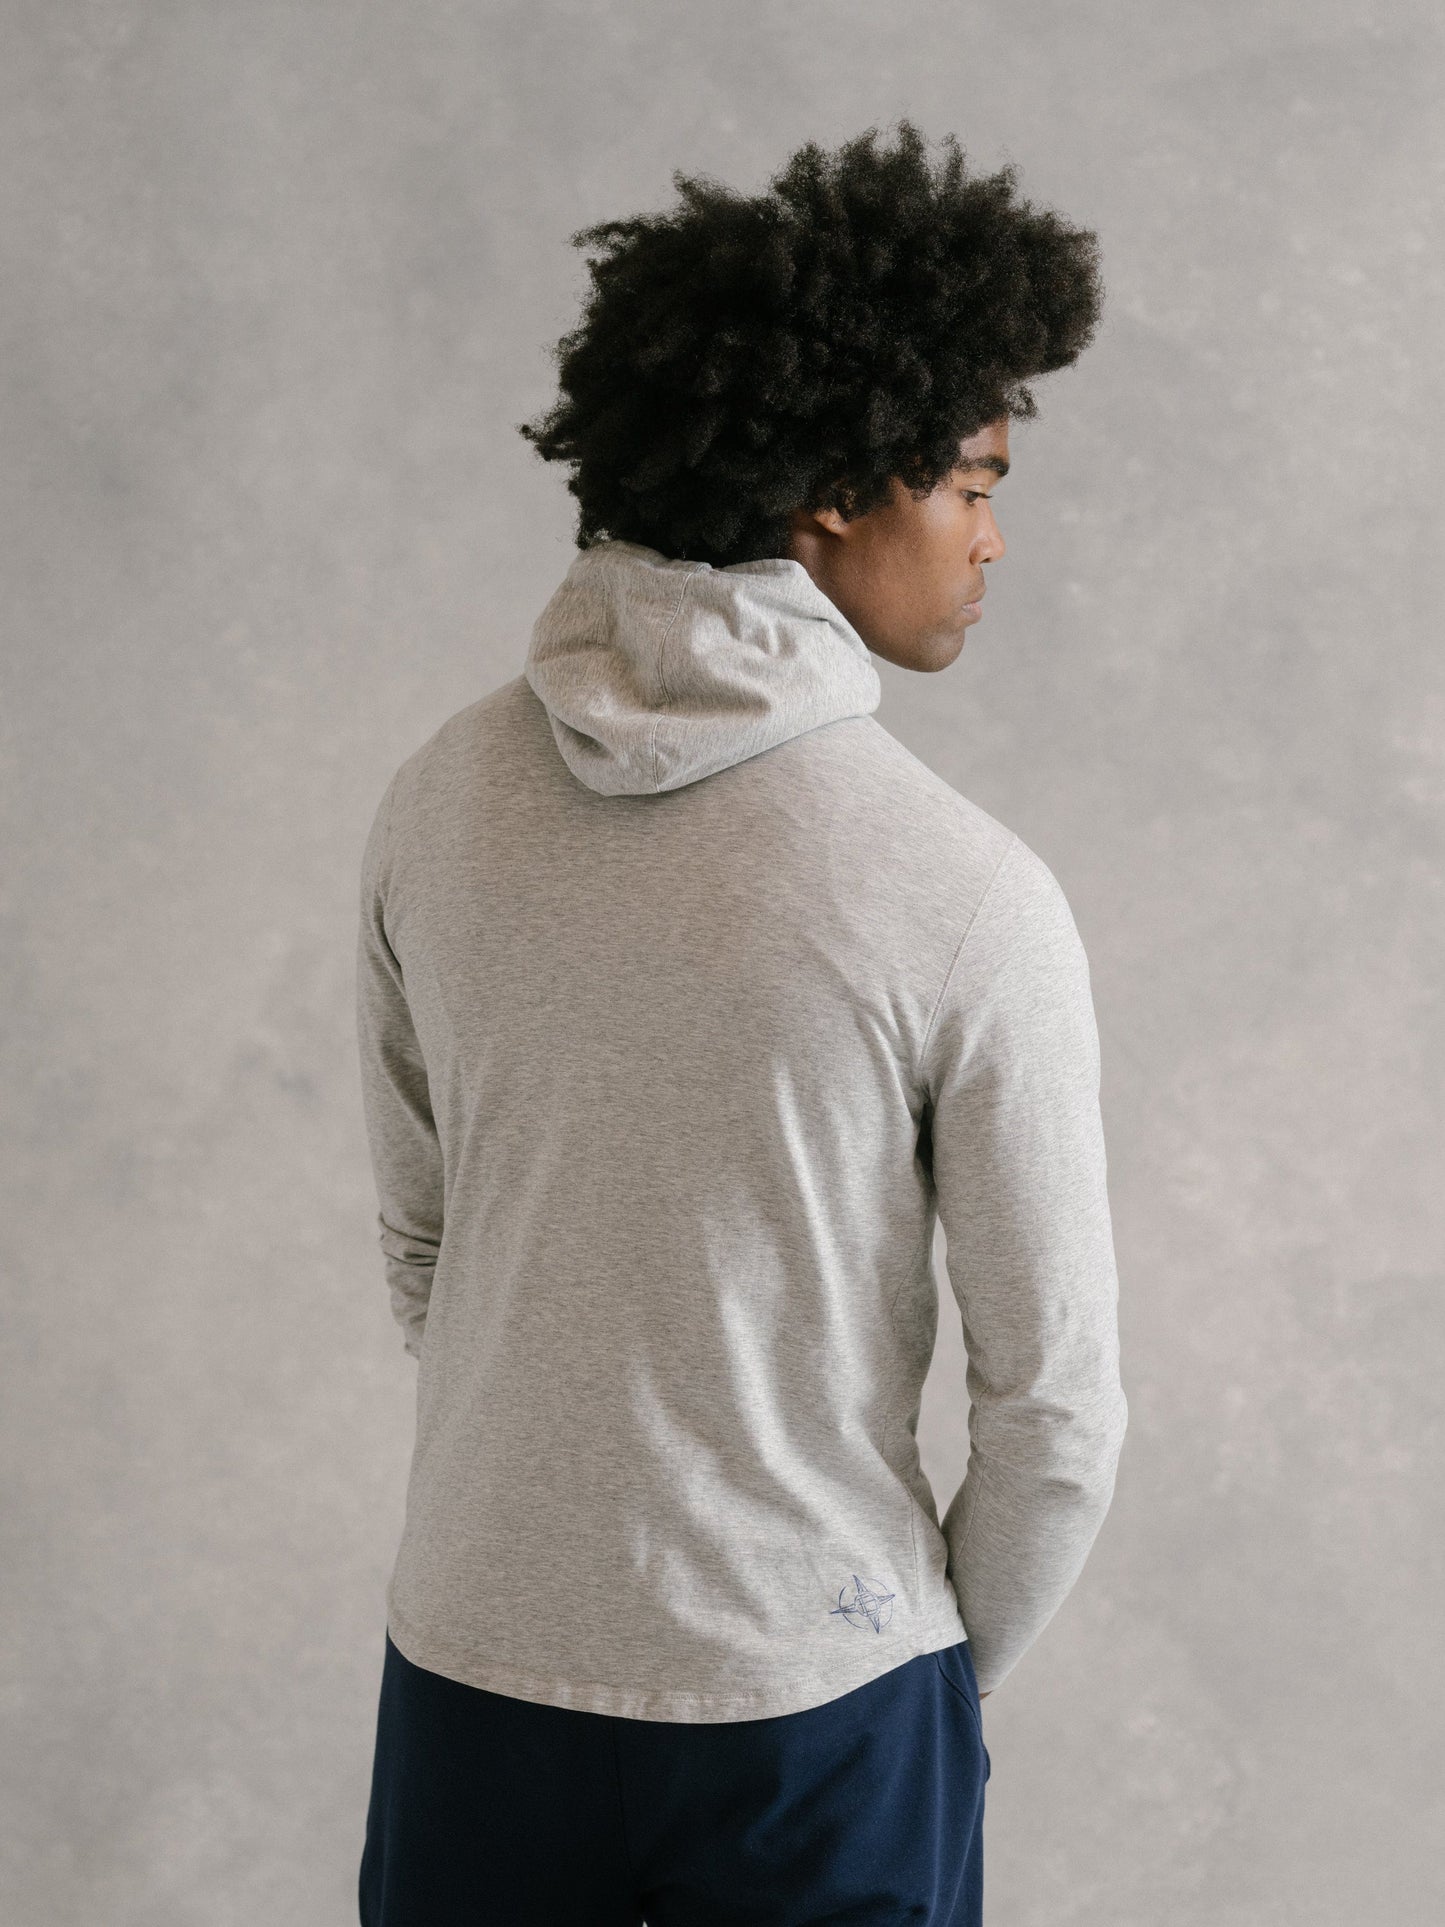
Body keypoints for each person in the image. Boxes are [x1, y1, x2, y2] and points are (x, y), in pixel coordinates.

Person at [355, 119, 1128, 1926]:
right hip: (820, 1709)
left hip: (470, 1670)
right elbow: (1053, 1411)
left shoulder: (435, 800)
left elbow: (425, 1247)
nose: (992, 538)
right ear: (836, 491)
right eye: (972, 481)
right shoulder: (959, 888)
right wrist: (913, 1672)